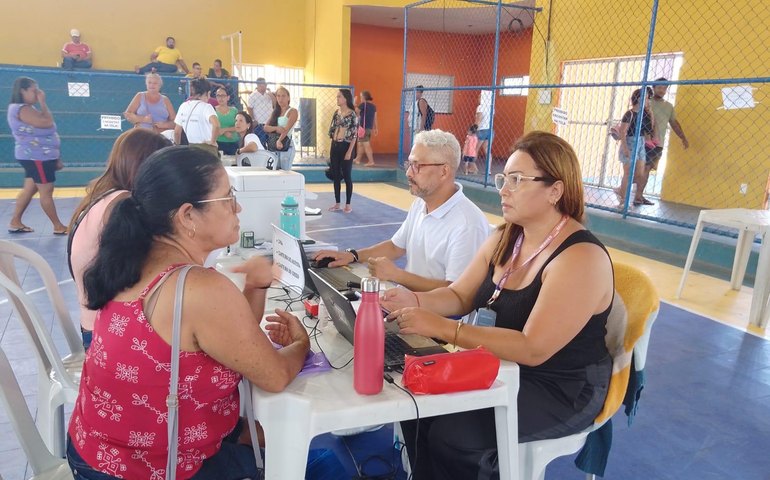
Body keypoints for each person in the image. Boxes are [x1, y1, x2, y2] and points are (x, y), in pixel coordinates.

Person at [66, 146, 310, 479]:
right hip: (150, 468)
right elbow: (275, 375)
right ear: (187, 216)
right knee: (303, 455)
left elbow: (228, 342)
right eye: (227, 199)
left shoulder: (130, 262)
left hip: (96, 454)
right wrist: (302, 344)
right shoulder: (199, 289)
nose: (237, 207)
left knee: (278, 439)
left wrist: (254, 287)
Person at [381, 131, 614, 479]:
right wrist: (412, 300)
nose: (504, 189)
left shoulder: (580, 258)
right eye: (505, 178)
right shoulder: (505, 237)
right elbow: (460, 295)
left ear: (555, 190)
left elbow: (533, 349)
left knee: (454, 434)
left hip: (558, 385)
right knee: (417, 404)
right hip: (500, 365)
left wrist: (444, 328)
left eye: (518, 180)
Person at [314, 129, 489, 292]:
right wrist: (352, 255)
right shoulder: (421, 204)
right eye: (409, 164)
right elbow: (396, 246)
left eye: (417, 166)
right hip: (408, 304)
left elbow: (456, 293)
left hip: (439, 320)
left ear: (444, 171)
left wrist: (396, 275)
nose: (408, 173)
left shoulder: (468, 224)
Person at [68, 129, 171, 349]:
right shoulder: (122, 205)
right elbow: (145, 272)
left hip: (94, 326)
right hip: (108, 336)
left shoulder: (103, 195)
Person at [6, 77, 68, 235]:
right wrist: (43, 103)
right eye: (34, 91)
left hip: (36, 156)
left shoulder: (25, 108)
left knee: (29, 189)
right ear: (23, 91)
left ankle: (15, 221)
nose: (38, 94)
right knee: (46, 191)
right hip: (37, 157)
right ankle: (58, 226)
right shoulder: (22, 109)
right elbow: (47, 122)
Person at [637, 77, 691, 206]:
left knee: (647, 169)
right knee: (642, 168)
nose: (662, 90)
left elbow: (674, 123)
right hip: (643, 141)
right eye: (659, 87)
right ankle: (634, 195)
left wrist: (683, 137)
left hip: (658, 143)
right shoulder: (646, 102)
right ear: (654, 88)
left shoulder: (668, 106)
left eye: (664, 88)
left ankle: (638, 195)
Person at [614, 88, 656, 206]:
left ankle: (620, 190)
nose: (648, 101)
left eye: (648, 99)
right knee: (628, 173)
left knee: (639, 173)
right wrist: (625, 148)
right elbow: (623, 132)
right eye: (646, 98)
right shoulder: (630, 114)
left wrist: (650, 112)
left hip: (641, 142)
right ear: (639, 99)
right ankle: (623, 200)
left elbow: (649, 129)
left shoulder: (645, 114)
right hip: (630, 142)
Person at [326, 89, 358, 213]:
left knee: (347, 175)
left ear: (345, 98)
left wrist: (349, 152)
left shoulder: (352, 115)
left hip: (346, 146)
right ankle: (337, 203)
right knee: (336, 176)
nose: (337, 99)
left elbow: (354, 135)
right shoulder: (336, 113)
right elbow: (332, 130)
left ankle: (348, 204)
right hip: (335, 146)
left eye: (339, 96)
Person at [174, 78, 219, 153]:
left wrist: (177, 145)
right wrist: (212, 141)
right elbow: (216, 125)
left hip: (191, 148)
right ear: (208, 93)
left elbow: (177, 132)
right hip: (207, 148)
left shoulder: (183, 106)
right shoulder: (207, 107)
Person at [263, 86, 298, 170]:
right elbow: (265, 127)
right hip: (274, 145)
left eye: (283, 96)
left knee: (285, 172)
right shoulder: (275, 112)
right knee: (275, 171)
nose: (280, 99)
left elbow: (286, 129)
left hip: (286, 145)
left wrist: (279, 140)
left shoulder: (293, 111)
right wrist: (276, 128)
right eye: (278, 96)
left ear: (288, 97)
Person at [246, 77, 275, 145]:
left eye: (265, 85)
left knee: (271, 143)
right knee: (261, 143)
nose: (263, 87)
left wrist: (271, 95)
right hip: (259, 123)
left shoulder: (268, 95)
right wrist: (253, 119)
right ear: (258, 85)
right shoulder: (253, 95)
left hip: (269, 123)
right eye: (261, 85)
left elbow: (275, 104)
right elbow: (249, 108)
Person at [353, 90, 378, 167]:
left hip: (363, 128)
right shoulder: (373, 106)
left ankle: (371, 161)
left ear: (364, 97)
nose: (360, 98)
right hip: (369, 128)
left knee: (366, 144)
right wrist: (376, 128)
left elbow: (356, 112)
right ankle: (357, 159)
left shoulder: (363, 104)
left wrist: (354, 104)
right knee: (360, 144)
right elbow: (375, 118)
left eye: (361, 96)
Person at [214, 88, 239, 155]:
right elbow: (210, 126)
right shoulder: (212, 110)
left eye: (223, 95)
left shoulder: (234, 111)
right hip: (217, 143)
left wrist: (224, 130)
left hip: (233, 142)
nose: (220, 98)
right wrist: (222, 132)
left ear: (228, 97)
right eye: (218, 95)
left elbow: (238, 126)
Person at [474, 91, 493, 165]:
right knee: (487, 150)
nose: (478, 98)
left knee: (475, 149)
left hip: (481, 130)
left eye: (480, 97)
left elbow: (478, 120)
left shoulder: (480, 107)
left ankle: (472, 167)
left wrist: (474, 130)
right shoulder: (491, 107)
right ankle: (488, 170)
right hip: (490, 130)